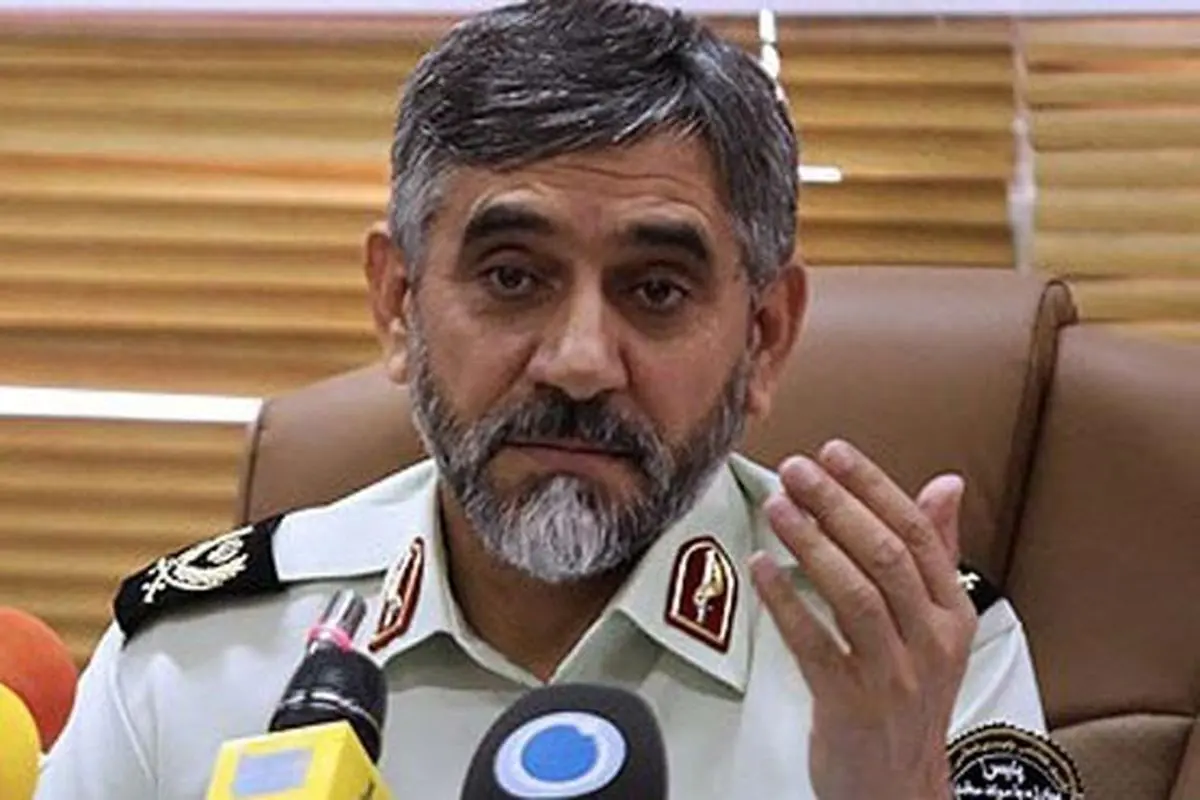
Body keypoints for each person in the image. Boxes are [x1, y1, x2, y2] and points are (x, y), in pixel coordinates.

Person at [37, 2, 1058, 798]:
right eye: (513, 277)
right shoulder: (194, 665)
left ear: (764, 337)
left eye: (656, 291)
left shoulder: (910, 663)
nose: (579, 363)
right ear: (399, 305)